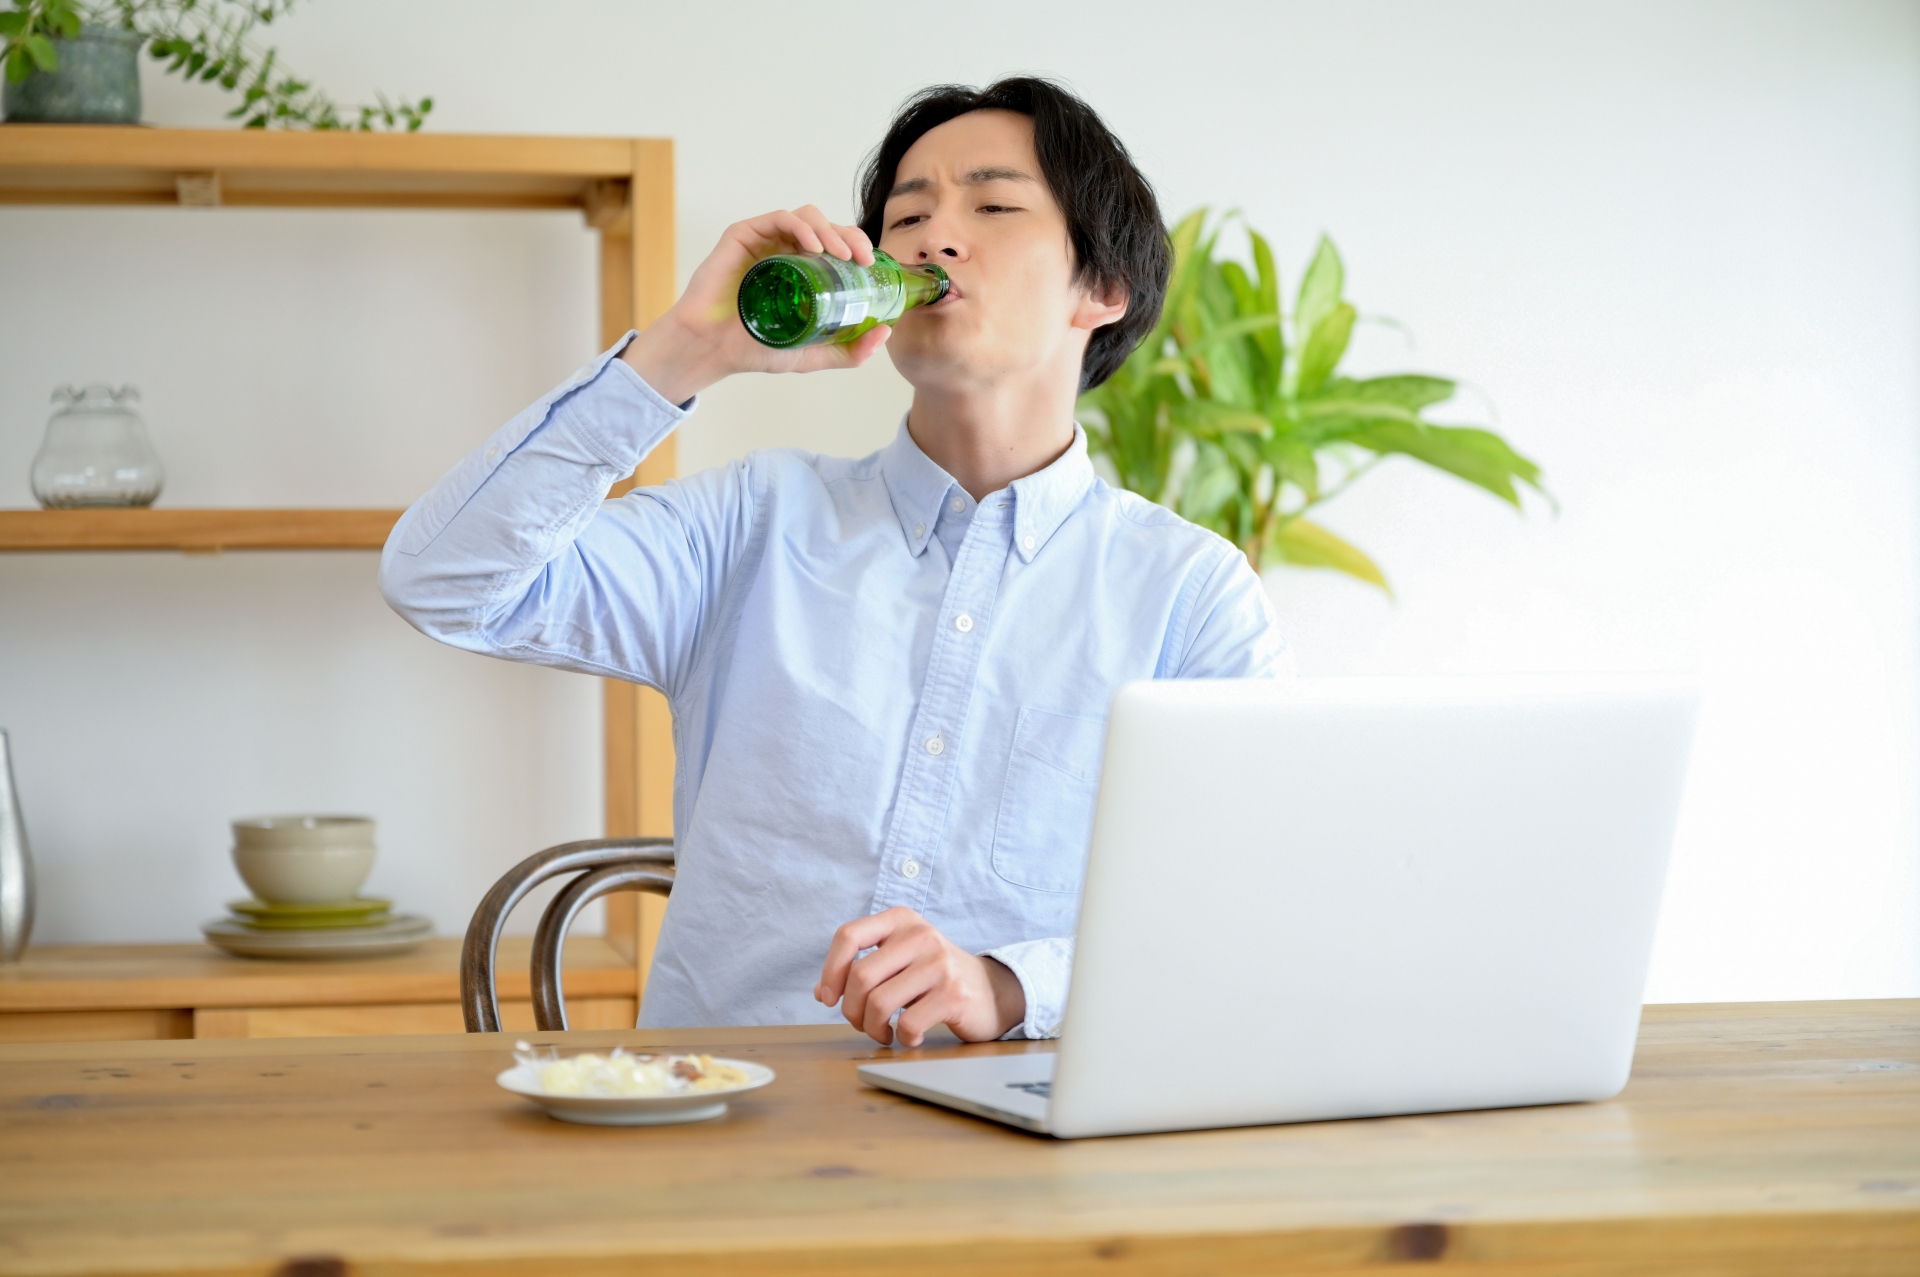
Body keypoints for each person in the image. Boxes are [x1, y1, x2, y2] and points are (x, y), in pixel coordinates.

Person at [380, 77, 1286, 1049]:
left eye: (992, 206)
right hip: (731, 1108)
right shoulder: (751, 523)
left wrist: (1012, 985)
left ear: (1102, 288)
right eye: (908, 216)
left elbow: (1246, 903)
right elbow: (443, 580)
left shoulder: (1189, 594)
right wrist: (684, 351)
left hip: (1016, 1118)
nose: (935, 239)